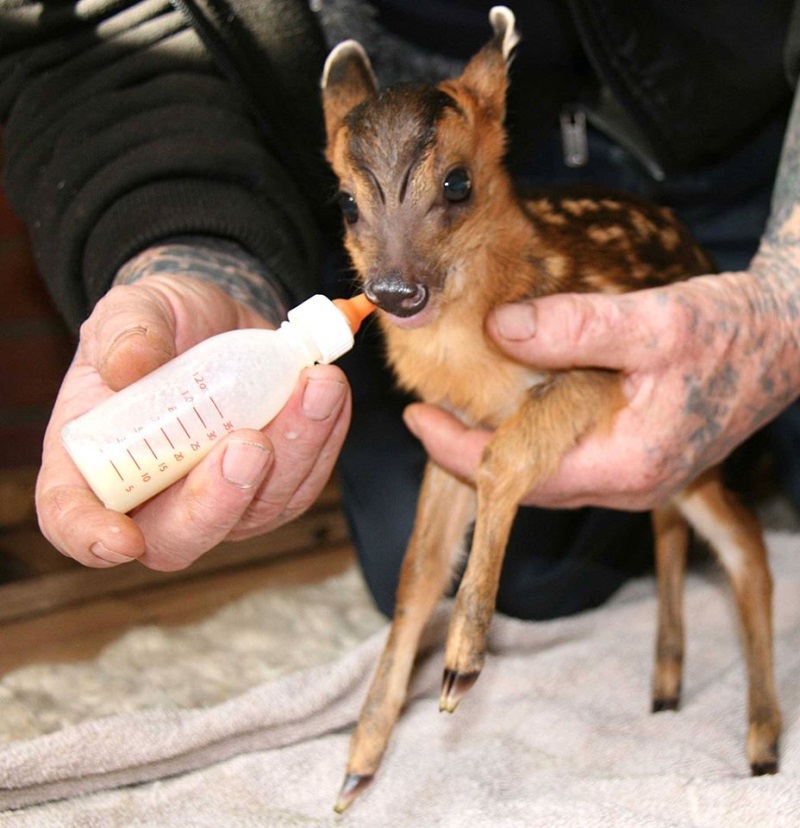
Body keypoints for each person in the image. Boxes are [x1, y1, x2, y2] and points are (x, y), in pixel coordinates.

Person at [1, 0, 798, 618]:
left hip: (749, 141)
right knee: (523, 574)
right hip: (398, 182)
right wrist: (199, 247)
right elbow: (90, 29)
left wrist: (784, 299)